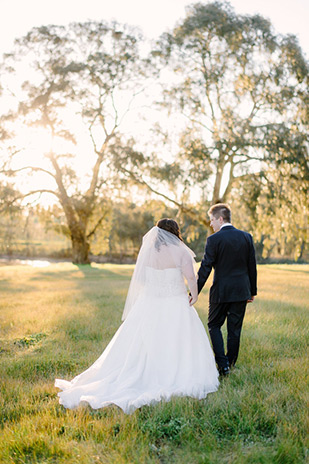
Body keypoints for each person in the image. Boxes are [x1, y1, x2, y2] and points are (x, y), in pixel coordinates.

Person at [55, 219, 219, 414]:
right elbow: (191, 278)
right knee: (177, 340)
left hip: (150, 303)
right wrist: (194, 294)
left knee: (146, 341)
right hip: (175, 302)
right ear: (175, 232)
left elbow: (141, 279)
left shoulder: (148, 252)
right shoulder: (182, 251)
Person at [197, 204, 257, 377]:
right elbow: (251, 267)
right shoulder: (246, 237)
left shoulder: (214, 240)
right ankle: (230, 363)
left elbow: (205, 267)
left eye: (212, 220)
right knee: (234, 329)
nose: (211, 224)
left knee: (214, 325)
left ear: (220, 219)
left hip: (221, 292)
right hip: (241, 291)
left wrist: (195, 291)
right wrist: (251, 291)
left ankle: (223, 366)